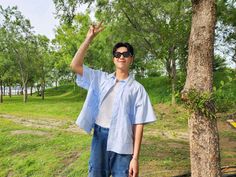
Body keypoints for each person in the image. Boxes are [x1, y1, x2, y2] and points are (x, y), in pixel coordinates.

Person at [70, 22, 156, 177]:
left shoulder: (137, 89)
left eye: (125, 54)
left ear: (131, 59)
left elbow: (138, 125)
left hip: (123, 141)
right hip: (99, 136)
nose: (121, 57)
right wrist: (88, 38)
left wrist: (135, 158)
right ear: (113, 59)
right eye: (117, 54)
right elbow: (75, 65)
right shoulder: (100, 78)